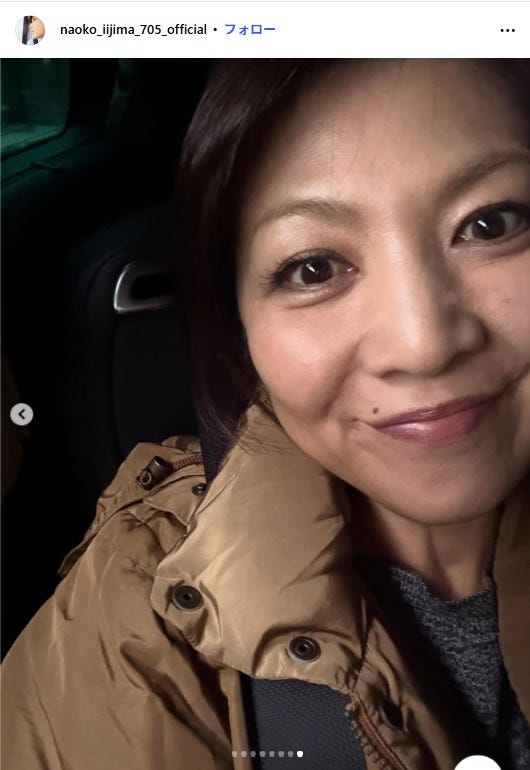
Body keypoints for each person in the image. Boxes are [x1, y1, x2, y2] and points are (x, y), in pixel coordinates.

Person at [2, 59, 530, 770]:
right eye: (313, 269)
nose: (423, 344)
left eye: (491, 224)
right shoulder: (139, 618)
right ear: (241, 328)